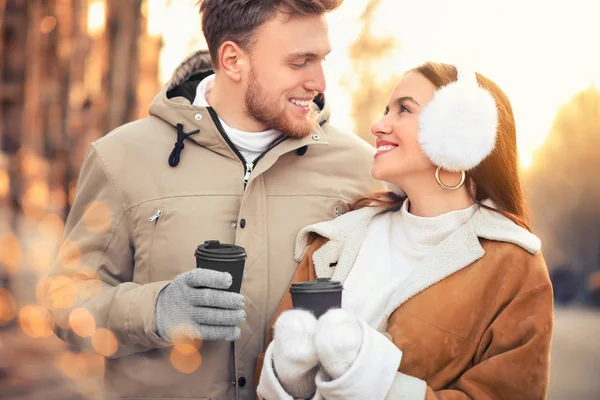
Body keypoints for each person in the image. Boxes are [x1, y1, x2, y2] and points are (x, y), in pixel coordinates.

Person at [44, 1, 381, 399]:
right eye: (299, 62)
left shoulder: (363, 167)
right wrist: (157, 309)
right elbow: (64, 299)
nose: (320, 81)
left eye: (321, 59)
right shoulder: (120, 157)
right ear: (233, 60)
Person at [257, 62, 554, 399]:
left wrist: (375, 383)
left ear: (458, 134)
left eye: (404, 109)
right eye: (387, 110)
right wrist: (288, 380)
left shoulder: (515, 266)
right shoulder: (335, 242)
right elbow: (272, 362)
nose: (378, 125)